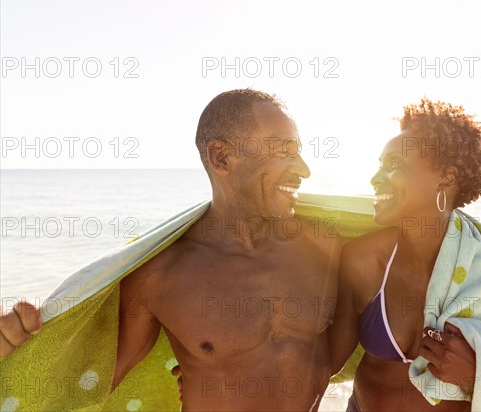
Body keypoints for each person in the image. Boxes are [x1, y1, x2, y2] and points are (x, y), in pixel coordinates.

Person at [0, 89, 341, 411]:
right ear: (221, 157)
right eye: (283, 151)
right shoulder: (158, 275)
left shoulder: (323, 247)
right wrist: (9, 345)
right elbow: (82, 388)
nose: (304, 170)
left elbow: (351, 343)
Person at [328, 98, 481, 411]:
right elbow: (325, 363)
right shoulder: (364, 261)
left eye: (394, 165)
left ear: (447, 177)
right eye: (380, 164)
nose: (375, 177)